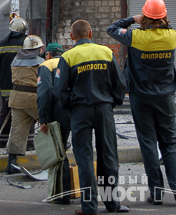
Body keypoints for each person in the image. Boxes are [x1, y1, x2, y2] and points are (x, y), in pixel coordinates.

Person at [106, 0, 176, 205]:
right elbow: (171, 27)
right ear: (164, 16)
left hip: (141, 97)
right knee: (170, 142)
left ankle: (156, 193)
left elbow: (111, 29)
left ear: (145, 16)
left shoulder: (135, 37)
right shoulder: (173, 36)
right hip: (165, 97)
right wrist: (159, 21)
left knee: (148, 143)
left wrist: (132, 19)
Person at [54, 19, 128, 215]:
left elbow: (59, 90)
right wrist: (111, 102)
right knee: (108, 156)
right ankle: (112, 204)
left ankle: (89, 206)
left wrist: (70, 106)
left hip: (80, 111)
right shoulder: (106, 52)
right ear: (90, 33)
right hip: (104, 109)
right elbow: (120, 84)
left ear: (72, 37)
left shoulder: (68, 56)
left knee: (84, 158)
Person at [0, 16, 34, 150]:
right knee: (27, 113)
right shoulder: (27, 44)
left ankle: (1, 141)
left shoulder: (2, 44)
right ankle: (29, 143)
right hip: (24, 88)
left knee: (5, 113)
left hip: (7, 88)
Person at [37, 42, 71, 205]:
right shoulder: (69, 61)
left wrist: (43, 118)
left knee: (59, 151)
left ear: (49, 54)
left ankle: (62, 194)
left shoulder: (46, 65)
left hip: (58, 112)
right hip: (77, 111)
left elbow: (44, 93)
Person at [6, 35, 44, 174]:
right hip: (34, 99)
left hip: (16, 99)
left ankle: (11, 162)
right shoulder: (40, 62)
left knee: (17, 131)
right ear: (38, 49)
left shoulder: (16, 60)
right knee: (51, 124)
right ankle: (57, 150)